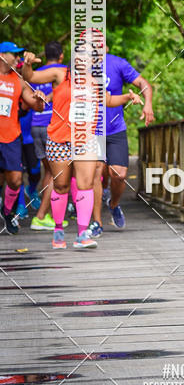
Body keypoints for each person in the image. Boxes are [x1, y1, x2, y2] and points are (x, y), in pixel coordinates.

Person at [22, 42, 143, 250]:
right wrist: (27, 64)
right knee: (61, 186)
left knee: (86, 185)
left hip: (85, 140)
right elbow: (30, 78)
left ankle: (82, 233)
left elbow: (108, 100)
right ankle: (58, 231)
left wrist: (129, 97)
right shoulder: (60, 74)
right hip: (59, 139)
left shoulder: (95, 82)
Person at [89, 40, 154, 236]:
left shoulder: (117, 63)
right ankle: (97, 222)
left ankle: (114, 204)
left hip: (115, 128)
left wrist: (148, 103)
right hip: (91, 130)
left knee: (119, 174)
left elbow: (143, 83)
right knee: (97, 172)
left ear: (105, 48)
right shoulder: (79, 68)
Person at [0, 42, 46, 234]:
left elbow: (36, 105)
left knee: (16, 180)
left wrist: (40, 99)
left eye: (20, 55)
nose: (18, 59)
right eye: (14, 55)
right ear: (2, 55)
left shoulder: (18, 80)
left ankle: (7, 212)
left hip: (11, 137)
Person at [30, 41, 65, 230]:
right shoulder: (64, 71)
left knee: (50, 172)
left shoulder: (36, 73)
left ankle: (51, 215)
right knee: (56, 173)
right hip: (52, 127)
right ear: (61, 55)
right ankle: (41, 216)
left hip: (36, 125)